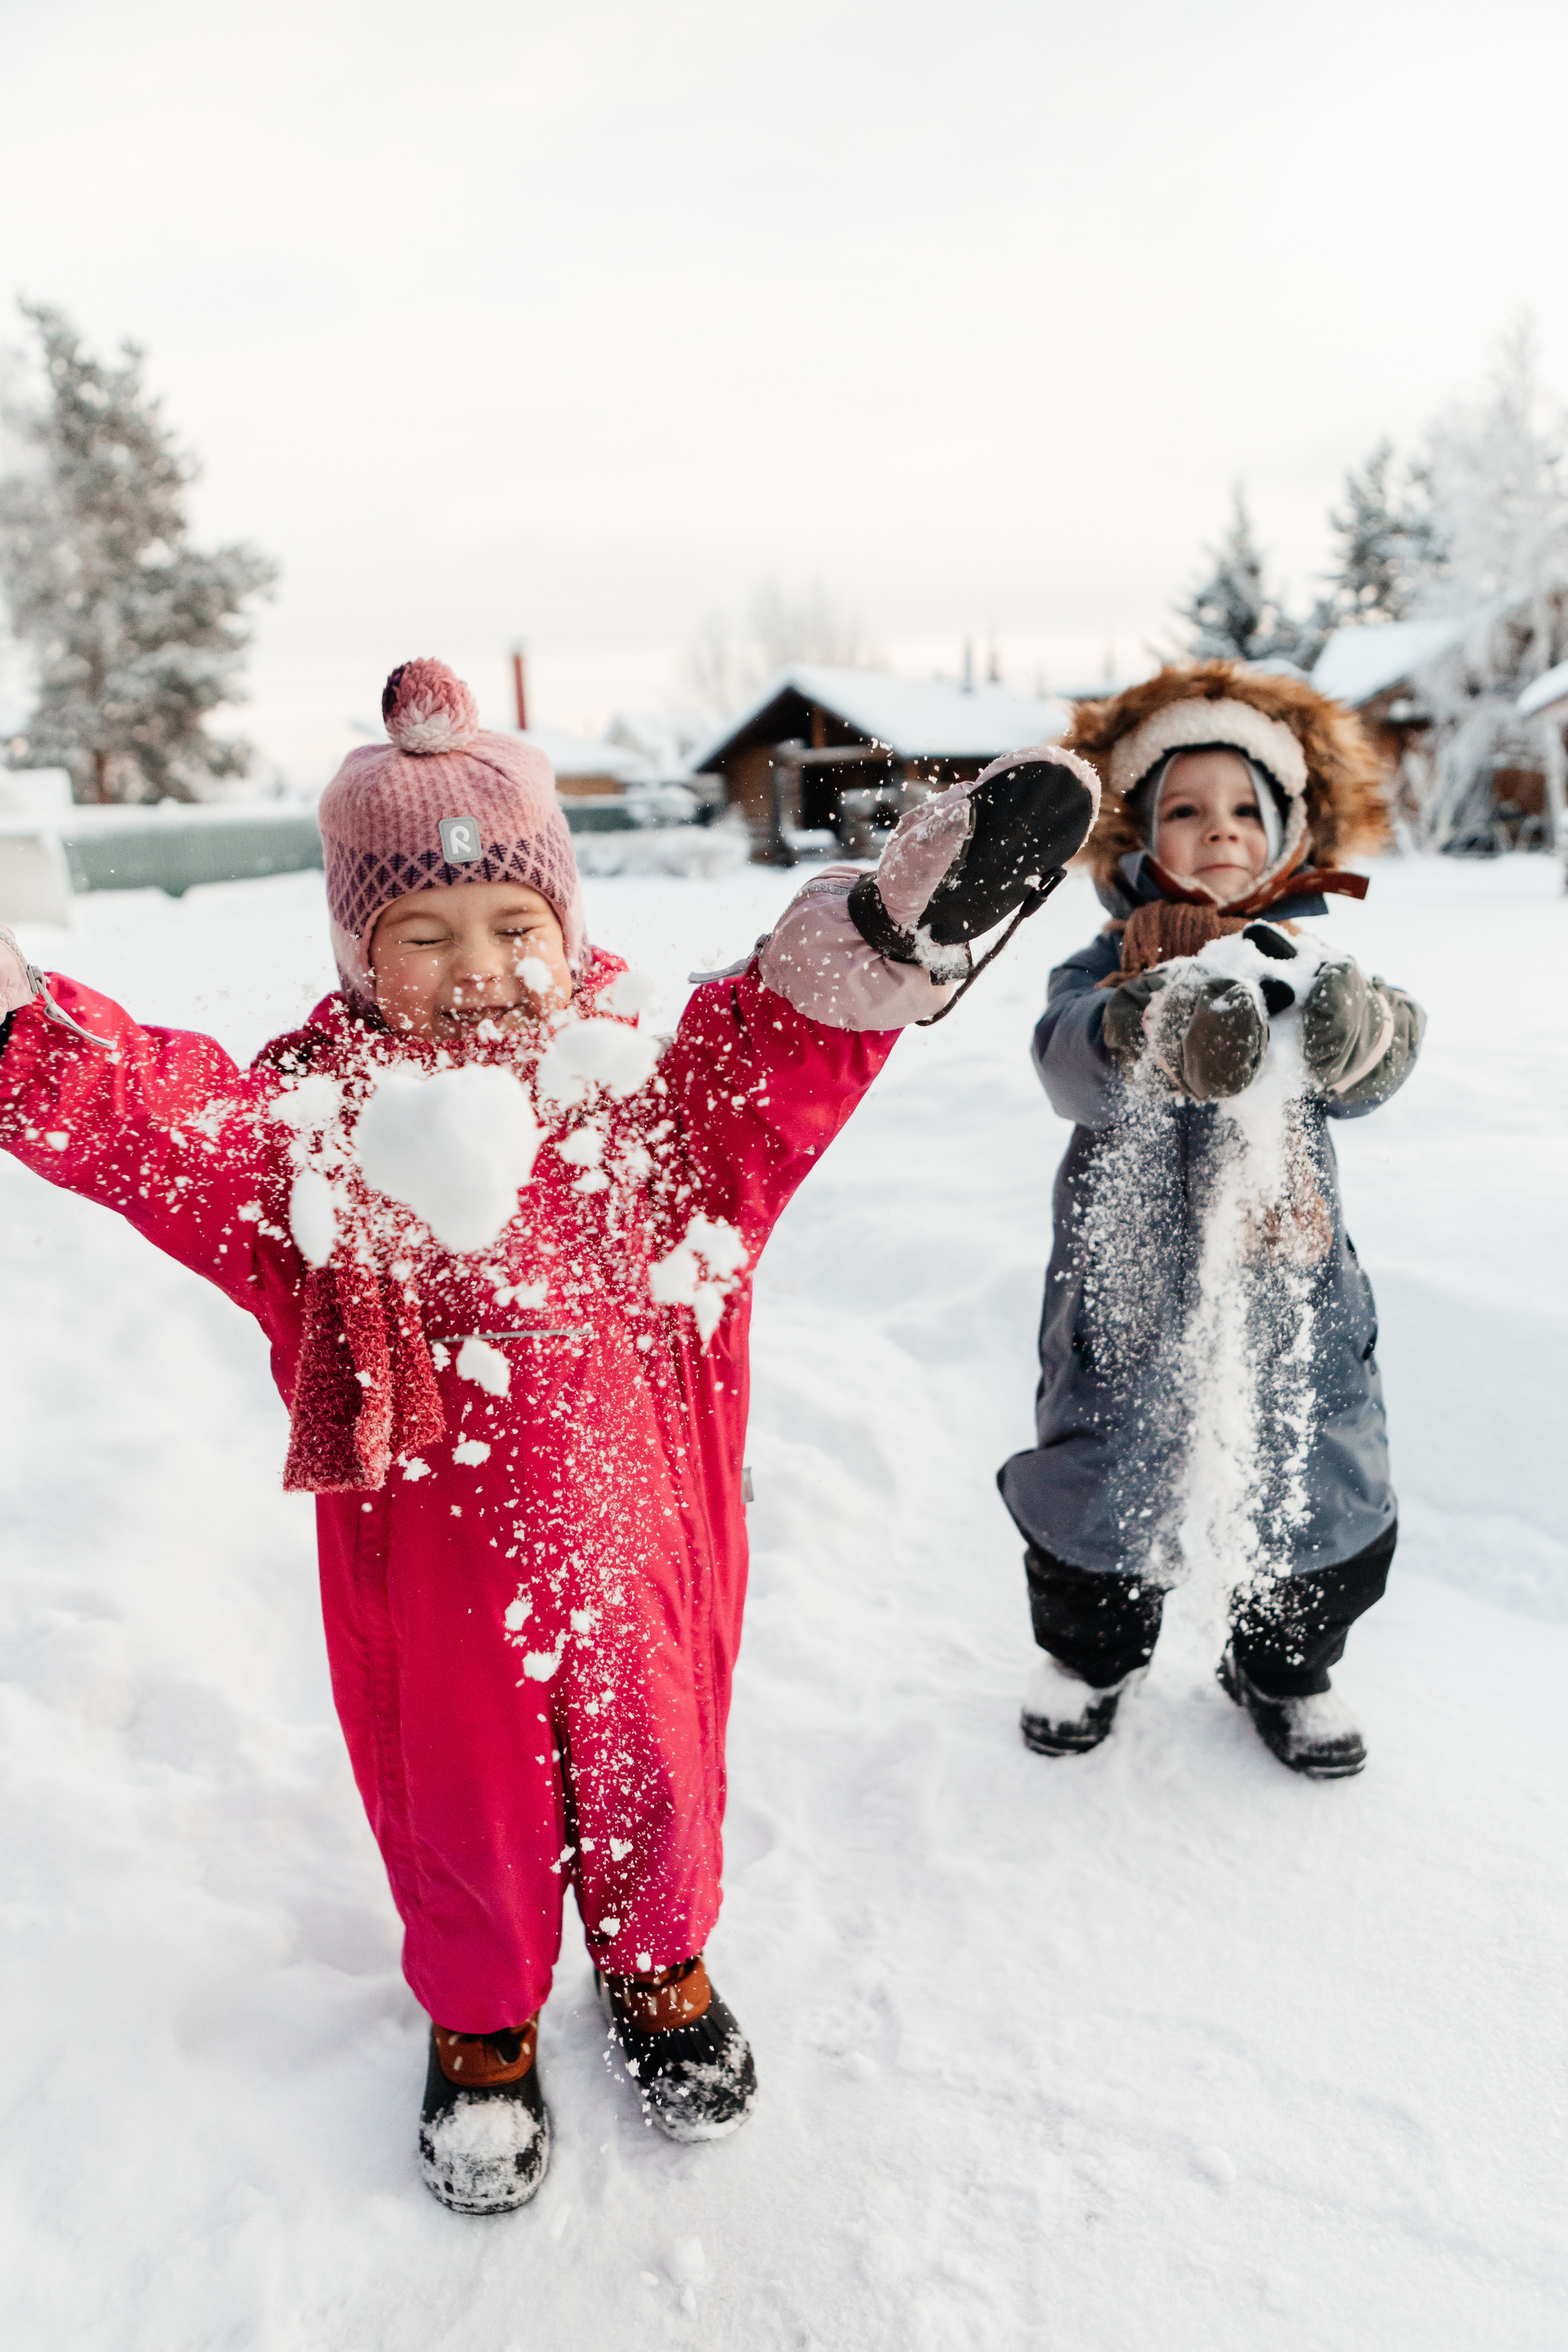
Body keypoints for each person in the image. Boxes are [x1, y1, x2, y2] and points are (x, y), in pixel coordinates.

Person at [0, 657, 1098, 2215]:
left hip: (643, 1542)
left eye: (514, 927)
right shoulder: (315, 1147)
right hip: (427, 1588)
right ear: (357, 952)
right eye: (423, 936)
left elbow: (771, 1047)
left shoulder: (650, 1112)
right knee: (460, 1803)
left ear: (564, 930)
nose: (480, 968)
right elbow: (152, 1124)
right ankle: (485, 2023)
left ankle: (660, 1970)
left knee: (659, 1758)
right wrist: (18, 1033)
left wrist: (882, 936)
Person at [998, 662, 1424, 1781]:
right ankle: (1094, 1656)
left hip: (1293, 1285)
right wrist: (1144, 1031)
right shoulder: (1103, 963)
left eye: (1246, 809)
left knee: (1317, 1468)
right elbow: (1065, 1059)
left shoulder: (1312, 962)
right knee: (1104, 1471)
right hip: (1129, 1278)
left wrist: (1364, 1037)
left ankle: (1283, 1669)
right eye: (1185, 809)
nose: (1219, 831)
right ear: (1141, 837)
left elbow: (1371, 1068)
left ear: (1287, 832)